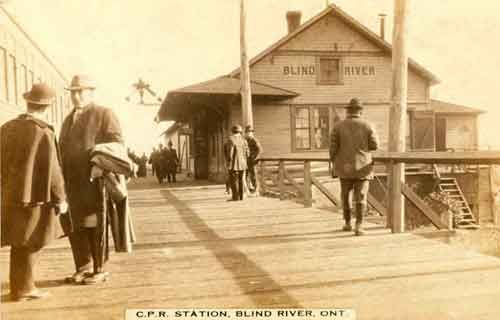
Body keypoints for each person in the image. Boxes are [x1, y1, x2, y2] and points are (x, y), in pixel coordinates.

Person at [1, 83, 68, 301]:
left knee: (18, 240)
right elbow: (54, 170)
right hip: (36, 197)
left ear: (28, 102)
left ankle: (18, 288)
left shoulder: (7, 127)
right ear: (47, 106)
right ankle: (25, 289)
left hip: (10, 195)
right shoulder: (44, 131)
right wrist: (61, 198)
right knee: (32, 240)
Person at [59, 75, 123, 284]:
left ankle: (99, 269)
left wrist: (99, 165)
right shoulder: (68, 119)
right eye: (73, 92)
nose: (76, 96)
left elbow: (117, 143)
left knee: (95, 224)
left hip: (95, 181)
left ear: (91, 92)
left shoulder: (104, 114)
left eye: (80, 92)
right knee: (74, 224)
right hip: (71, 182)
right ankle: (83, 267)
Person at [329, 98, 379, 236]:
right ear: (360, 111)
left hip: (344, 168)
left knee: (345, 196)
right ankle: (359, 226)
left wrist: (335, 162)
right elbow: (375, 145)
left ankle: (347, 223)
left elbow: (332, 149)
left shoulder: (338, 126)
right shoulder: (368, 125)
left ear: (348, 111)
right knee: (361, 197)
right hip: (363, 167)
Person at [224, 125, 249, 201]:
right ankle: (241, 197)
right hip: (243, 163)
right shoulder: (244, 140)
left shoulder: (231, 139)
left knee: (233, 180)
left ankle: (235, 197)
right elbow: (248, 153)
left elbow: (230, 153)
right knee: (241, 179)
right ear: (240, 131)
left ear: (232, 131)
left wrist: (228, 162)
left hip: (233, 164)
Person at [244, 125, 263, 193]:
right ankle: (248, 190)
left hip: (253, 161)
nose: (249, 133)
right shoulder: (245, 140)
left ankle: (256, 190)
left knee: (254, 176)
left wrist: (255, 158)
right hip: (246, 161)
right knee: (246, 175)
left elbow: (260, 150)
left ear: (252, 133)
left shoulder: (254, 140)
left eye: (250, 132)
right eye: (247, 132)